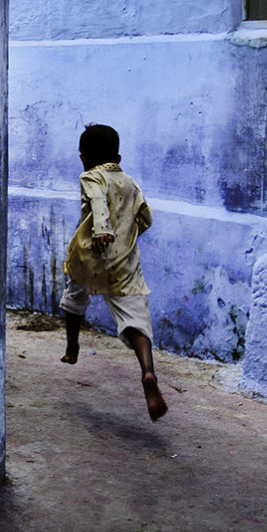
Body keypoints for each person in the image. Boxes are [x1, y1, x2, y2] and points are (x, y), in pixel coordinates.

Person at [59, 124, 168, 421]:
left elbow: (96, 201)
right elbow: (145, 216)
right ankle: (147, 371)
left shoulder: (90, 175)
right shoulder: (130, 182)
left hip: (89, 255)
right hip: (123, 261)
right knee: (135, 318)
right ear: (118, 157)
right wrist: (126, 237)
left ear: (83, 158)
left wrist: (103, 229)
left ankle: (72, 347)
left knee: (75, 295)